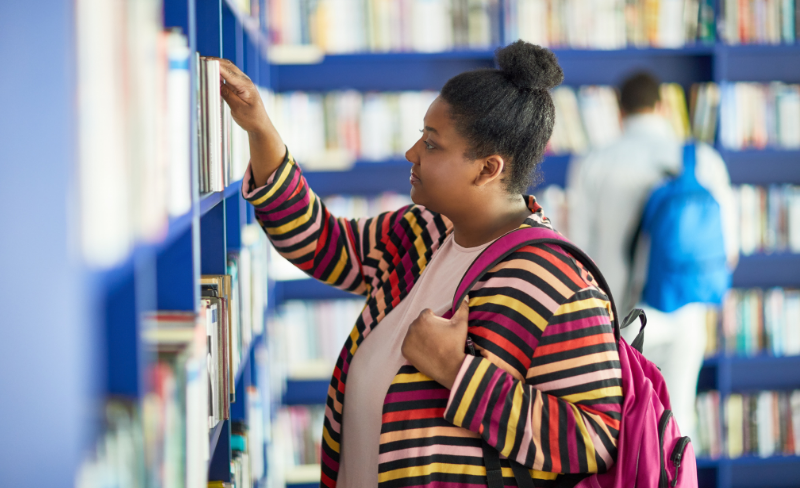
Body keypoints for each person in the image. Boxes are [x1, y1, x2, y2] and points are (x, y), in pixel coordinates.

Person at [214, 41, 623, 488]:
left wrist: (459, 373)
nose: (412, 152)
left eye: (431, 143)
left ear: (488, 169)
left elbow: (594, 440)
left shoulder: (556, 283)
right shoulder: (422, 231)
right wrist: (259, 127)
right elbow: (321, 244)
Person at [567, 71, 739, 442]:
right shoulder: (703, 159)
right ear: (662, 106)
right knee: (677, 427)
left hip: (620, 315)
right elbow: (729, 254)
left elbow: (575, 253)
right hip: (685, 310)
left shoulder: (595, 161)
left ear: (619, 110)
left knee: (622, 429)